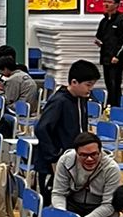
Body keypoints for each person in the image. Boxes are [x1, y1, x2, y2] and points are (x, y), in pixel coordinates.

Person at [32, 60, 99, 191]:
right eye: (88, 85)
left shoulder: (82, 99)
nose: (90, 89)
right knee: (50, 198)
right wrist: (54, 155)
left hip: (74, 160)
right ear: (74, 82)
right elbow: (41, 129)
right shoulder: (59, 101)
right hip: (51, 164)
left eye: (92, 85)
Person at [51, 132, 123, 217]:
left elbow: (108, 205)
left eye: (94, 154)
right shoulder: (65, 161)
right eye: (84, 155)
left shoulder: (112, 168)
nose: (89, 159)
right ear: (76, 153)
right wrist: (62, 213)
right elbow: (58, 193)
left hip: (100, 207)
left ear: (100, 151)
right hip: (72, 203)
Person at [96, 0, 123, 107]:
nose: (106, 4)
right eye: (105, 1)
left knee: (115, 83)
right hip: (105, 56)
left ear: (117, 4)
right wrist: (99, 42)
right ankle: (110, 104)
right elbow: (100, 35)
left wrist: (117, 55)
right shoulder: (104, 20)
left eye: (109, 2)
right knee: (108, 82)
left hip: (116, 58)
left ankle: (115, 106)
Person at [0, 47, 39, 117]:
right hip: (30, 107)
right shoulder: (22, 74)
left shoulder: (13, 79)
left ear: (6, 68)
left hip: (21, 109)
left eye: (2, 70)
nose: (1, 73)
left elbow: (8, 100)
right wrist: (3, 85)